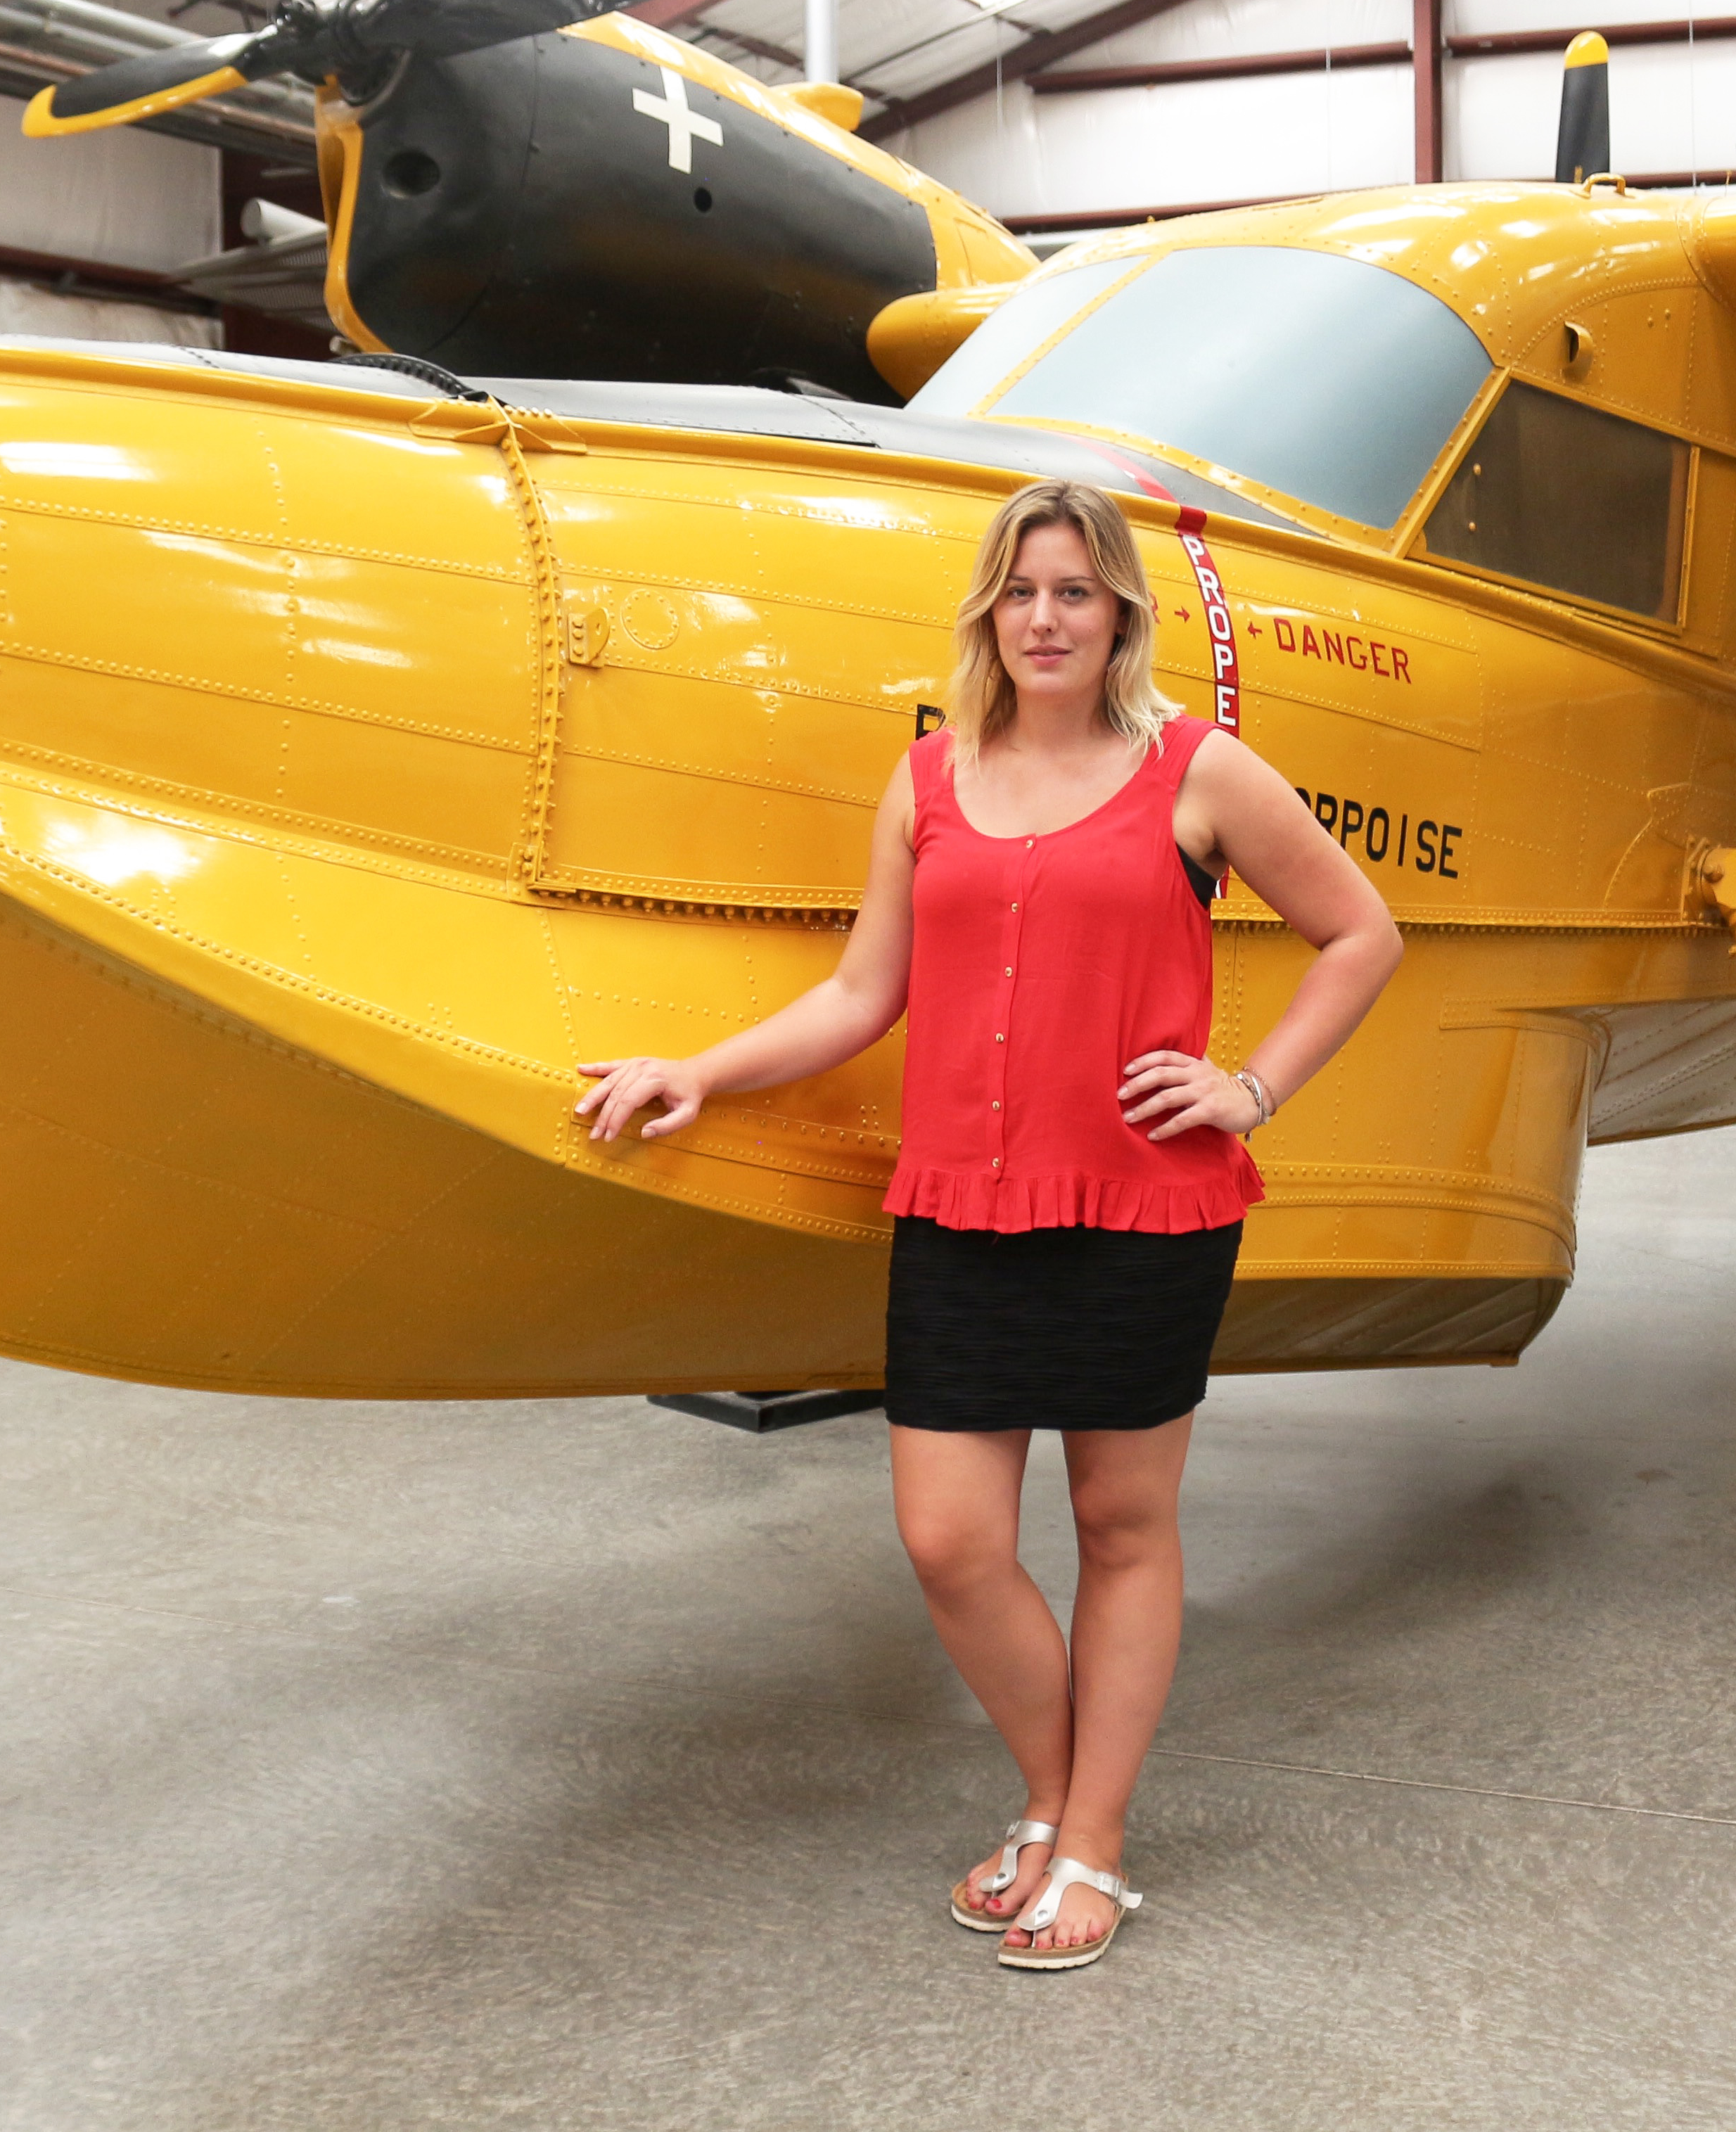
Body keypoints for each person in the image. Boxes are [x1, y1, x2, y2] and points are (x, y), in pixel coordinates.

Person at [573, 478, 1403, 1970]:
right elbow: (858, 996)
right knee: (951, 1539)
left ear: (1122, 612)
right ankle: (1048, 1795)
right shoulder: (929, 780)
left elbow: (1362, 933)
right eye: (1022, 591)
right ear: (987, 612)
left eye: (1076, 591)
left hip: (1148, 1209)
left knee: (1120, 1525)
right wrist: (695, 1068)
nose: (1045, 618)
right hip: (960, 1205)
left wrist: (1252, 1088)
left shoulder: (1200, 772)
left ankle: (1090, 1840)